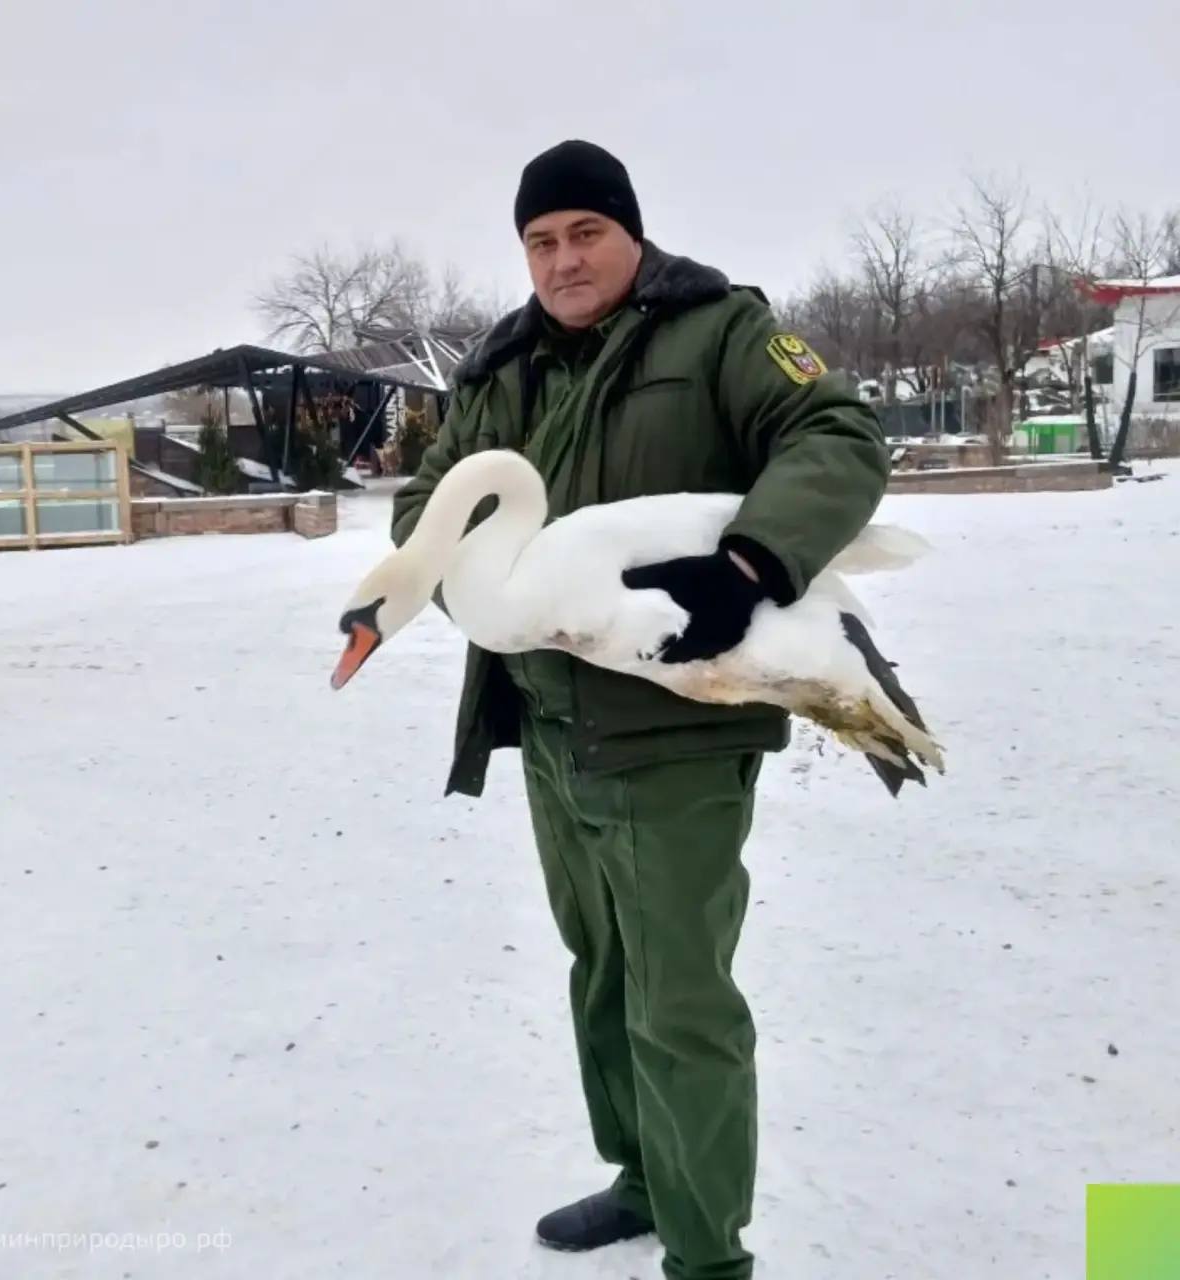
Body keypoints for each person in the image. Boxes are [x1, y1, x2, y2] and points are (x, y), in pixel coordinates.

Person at [391, 140, 890, 1280]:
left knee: (680, 996)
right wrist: (469, 582)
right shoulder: (498, 371)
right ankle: (642, 1177)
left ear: (630, 232)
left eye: (585, 233)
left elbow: (838, 434)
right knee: (603, 971)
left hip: (674, 732)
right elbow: (426, 504)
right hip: (548, 728)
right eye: (540, 241)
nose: (563, 260)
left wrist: (753, 561)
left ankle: (708, 1256)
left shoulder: (717, 331)